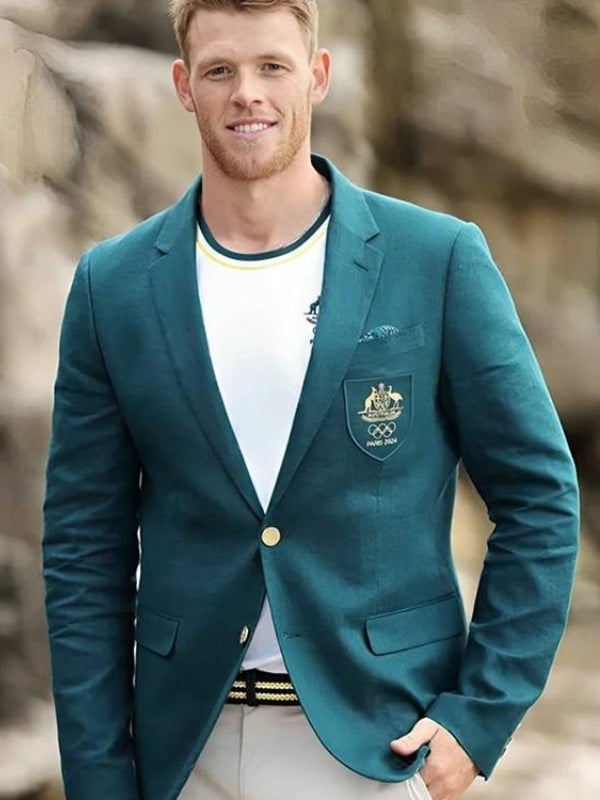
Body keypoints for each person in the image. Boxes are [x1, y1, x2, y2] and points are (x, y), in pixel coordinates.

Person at [41, 1, 579, 799]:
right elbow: (84, 549)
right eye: (220, 70)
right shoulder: (111, 286)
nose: (247, 93)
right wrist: (97, 776)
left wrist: (481, 714)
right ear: (184, 86)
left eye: (273, 66)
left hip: (375, 748)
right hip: (183, 752)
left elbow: (540, 499)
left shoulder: (436, 259)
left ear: (318, 76)